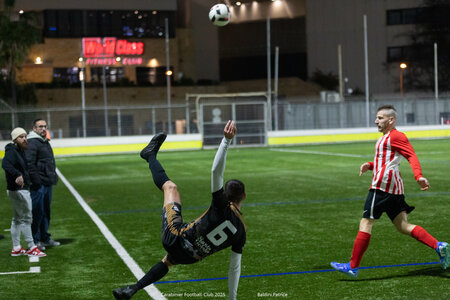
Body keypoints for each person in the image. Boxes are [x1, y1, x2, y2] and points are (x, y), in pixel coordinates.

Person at [113, 120, 246, 300]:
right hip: (192, 257)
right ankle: (132, 289)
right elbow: (234, 268)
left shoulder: (221, 204)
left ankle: (149, 155)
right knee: (168, 261)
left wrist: (226, 141)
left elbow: (216, 172)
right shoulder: (242, 232)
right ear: (243, 197)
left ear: (226, 195)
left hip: (176, 237)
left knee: (170, 188)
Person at [331, 105, 448, 278]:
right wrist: (370, 166)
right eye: (377, 118)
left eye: (380, 118)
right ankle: (439, 246)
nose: (376, 121)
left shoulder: (396, 136)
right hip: (393, 188)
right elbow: (387, 161)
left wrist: (419, 176)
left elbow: (411, 156)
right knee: (403, 226)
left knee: (366, 222)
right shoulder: (385, 138)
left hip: (382, 187)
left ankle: (353, 267)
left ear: (391, 120)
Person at [2, 127, 46, 257]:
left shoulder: (18, 150)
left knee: (17, 219)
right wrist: (17, 175)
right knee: (27, 218)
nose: (25, 139)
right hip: (19, 190)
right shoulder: (12, 151)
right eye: (21, 137)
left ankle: (16, 247)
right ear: (15, 139)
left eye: (25, 136)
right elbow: (5, 164)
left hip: (16, 190)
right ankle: (31, 246)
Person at [25, 119, 60, 250]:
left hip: (46, 182)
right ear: (34, 128)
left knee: (45, 211)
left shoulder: (43, 141)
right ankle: (35, 240)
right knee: (37, 212)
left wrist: (52, 176)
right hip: (38, 184)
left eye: (45, 126)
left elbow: (48, 161)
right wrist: (37, 181)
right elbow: (30, 164)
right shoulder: (33, 142)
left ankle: (45, 238)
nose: (44, 129)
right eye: (40, 127)